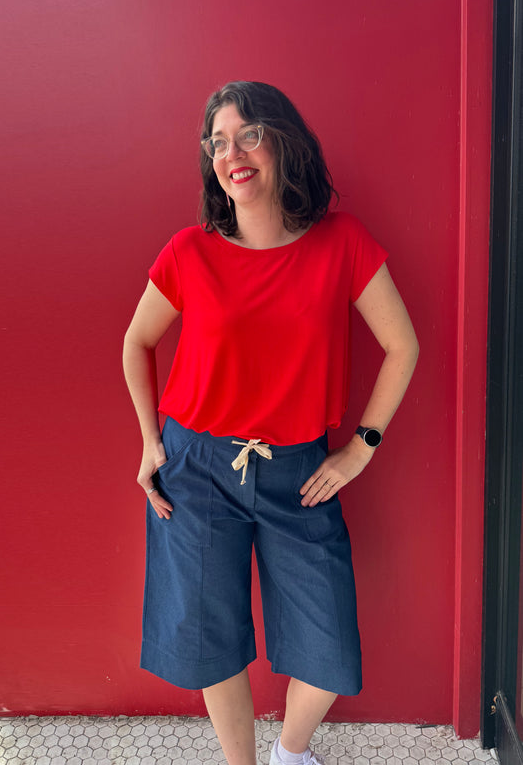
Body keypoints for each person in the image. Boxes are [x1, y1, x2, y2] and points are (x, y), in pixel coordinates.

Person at [122, 80, 419, 765]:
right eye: (218, 142)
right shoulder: (188, 252)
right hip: (194, 466)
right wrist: (147, 441)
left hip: (298, 469)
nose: (234, 153)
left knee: (329, 643)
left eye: (248, 134)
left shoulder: (341, 242)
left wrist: (360, 447)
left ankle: (289, 751)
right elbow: (136, 342)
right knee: (209, 634)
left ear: (284, 142)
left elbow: (402, 345)